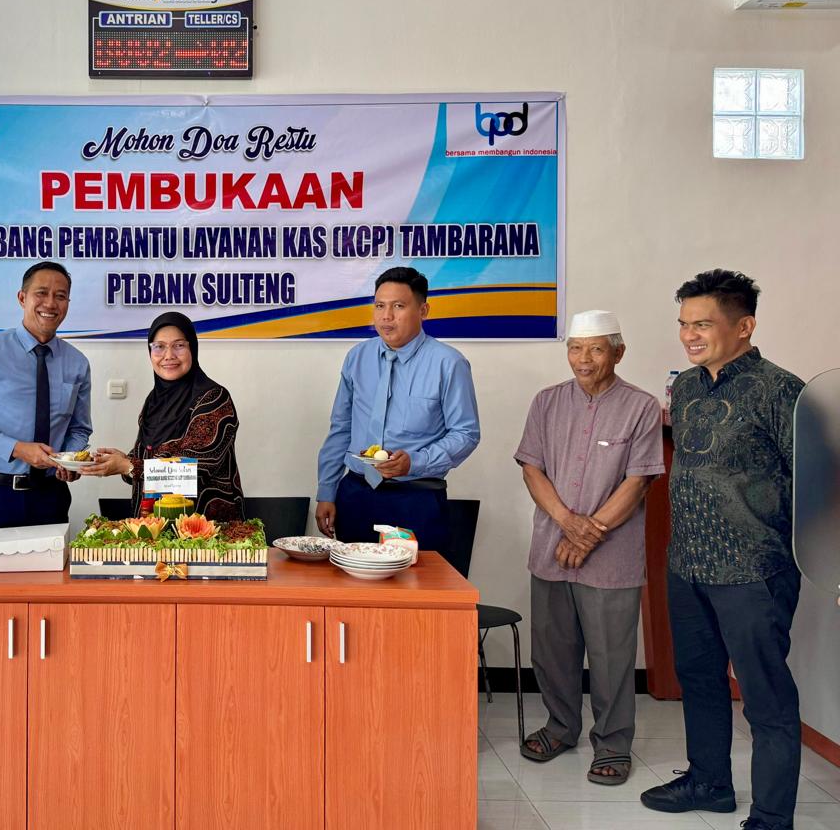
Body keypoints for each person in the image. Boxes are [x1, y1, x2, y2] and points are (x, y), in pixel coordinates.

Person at [640, 270, 804, 830]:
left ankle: (772, 817)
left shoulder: (781, 390)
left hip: (754, 569)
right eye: (684, 323)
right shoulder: (686, 387)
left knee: (765, 696)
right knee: (699, 678)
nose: (689, 335)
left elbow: (814, 482)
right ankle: (709, 782)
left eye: (703, 324)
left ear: (745, 326)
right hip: (688, 563)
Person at [513, 310, 663, 785]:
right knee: (551, 650)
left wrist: (589, 532)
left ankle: (613, 744)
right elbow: (532, 468)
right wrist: (567, 522)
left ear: (618, 353)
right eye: (576, 348)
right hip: (552, 547)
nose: (584, 358)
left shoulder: (640, 406)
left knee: (612, 657)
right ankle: (560, 727)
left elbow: (639, 481)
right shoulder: (547, 402)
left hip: (611, 555)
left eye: (596, 349)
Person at [314, 266, 480, 548]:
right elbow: (341, 427)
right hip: (356, 494)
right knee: (352, 576)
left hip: (416, 499)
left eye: (398, 306)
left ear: (423, 310)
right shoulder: (358, 357)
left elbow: (466, 433)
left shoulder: (448, 363)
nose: (386, 316)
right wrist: (327, 490)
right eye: (380, 306)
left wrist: (415, 461)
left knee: (416, 577)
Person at [0, 261, 91, 527]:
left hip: (50, 497)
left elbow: (79, 428)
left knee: (53, 559)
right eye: (41, 293)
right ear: (22, 298)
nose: (50, 303)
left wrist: (69, 461)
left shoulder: (78, 363)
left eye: (60, 296)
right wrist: (17, 449)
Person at [79, 312, 244, 520]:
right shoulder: (153, 401)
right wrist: (124, 460)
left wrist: (129, 466)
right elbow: (149, 465)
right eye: (159, 346)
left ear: (192, 348)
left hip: (205, 529)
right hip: (153, 527)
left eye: (179, 345)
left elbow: (196, 470)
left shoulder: (214, 399)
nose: (168, 355)